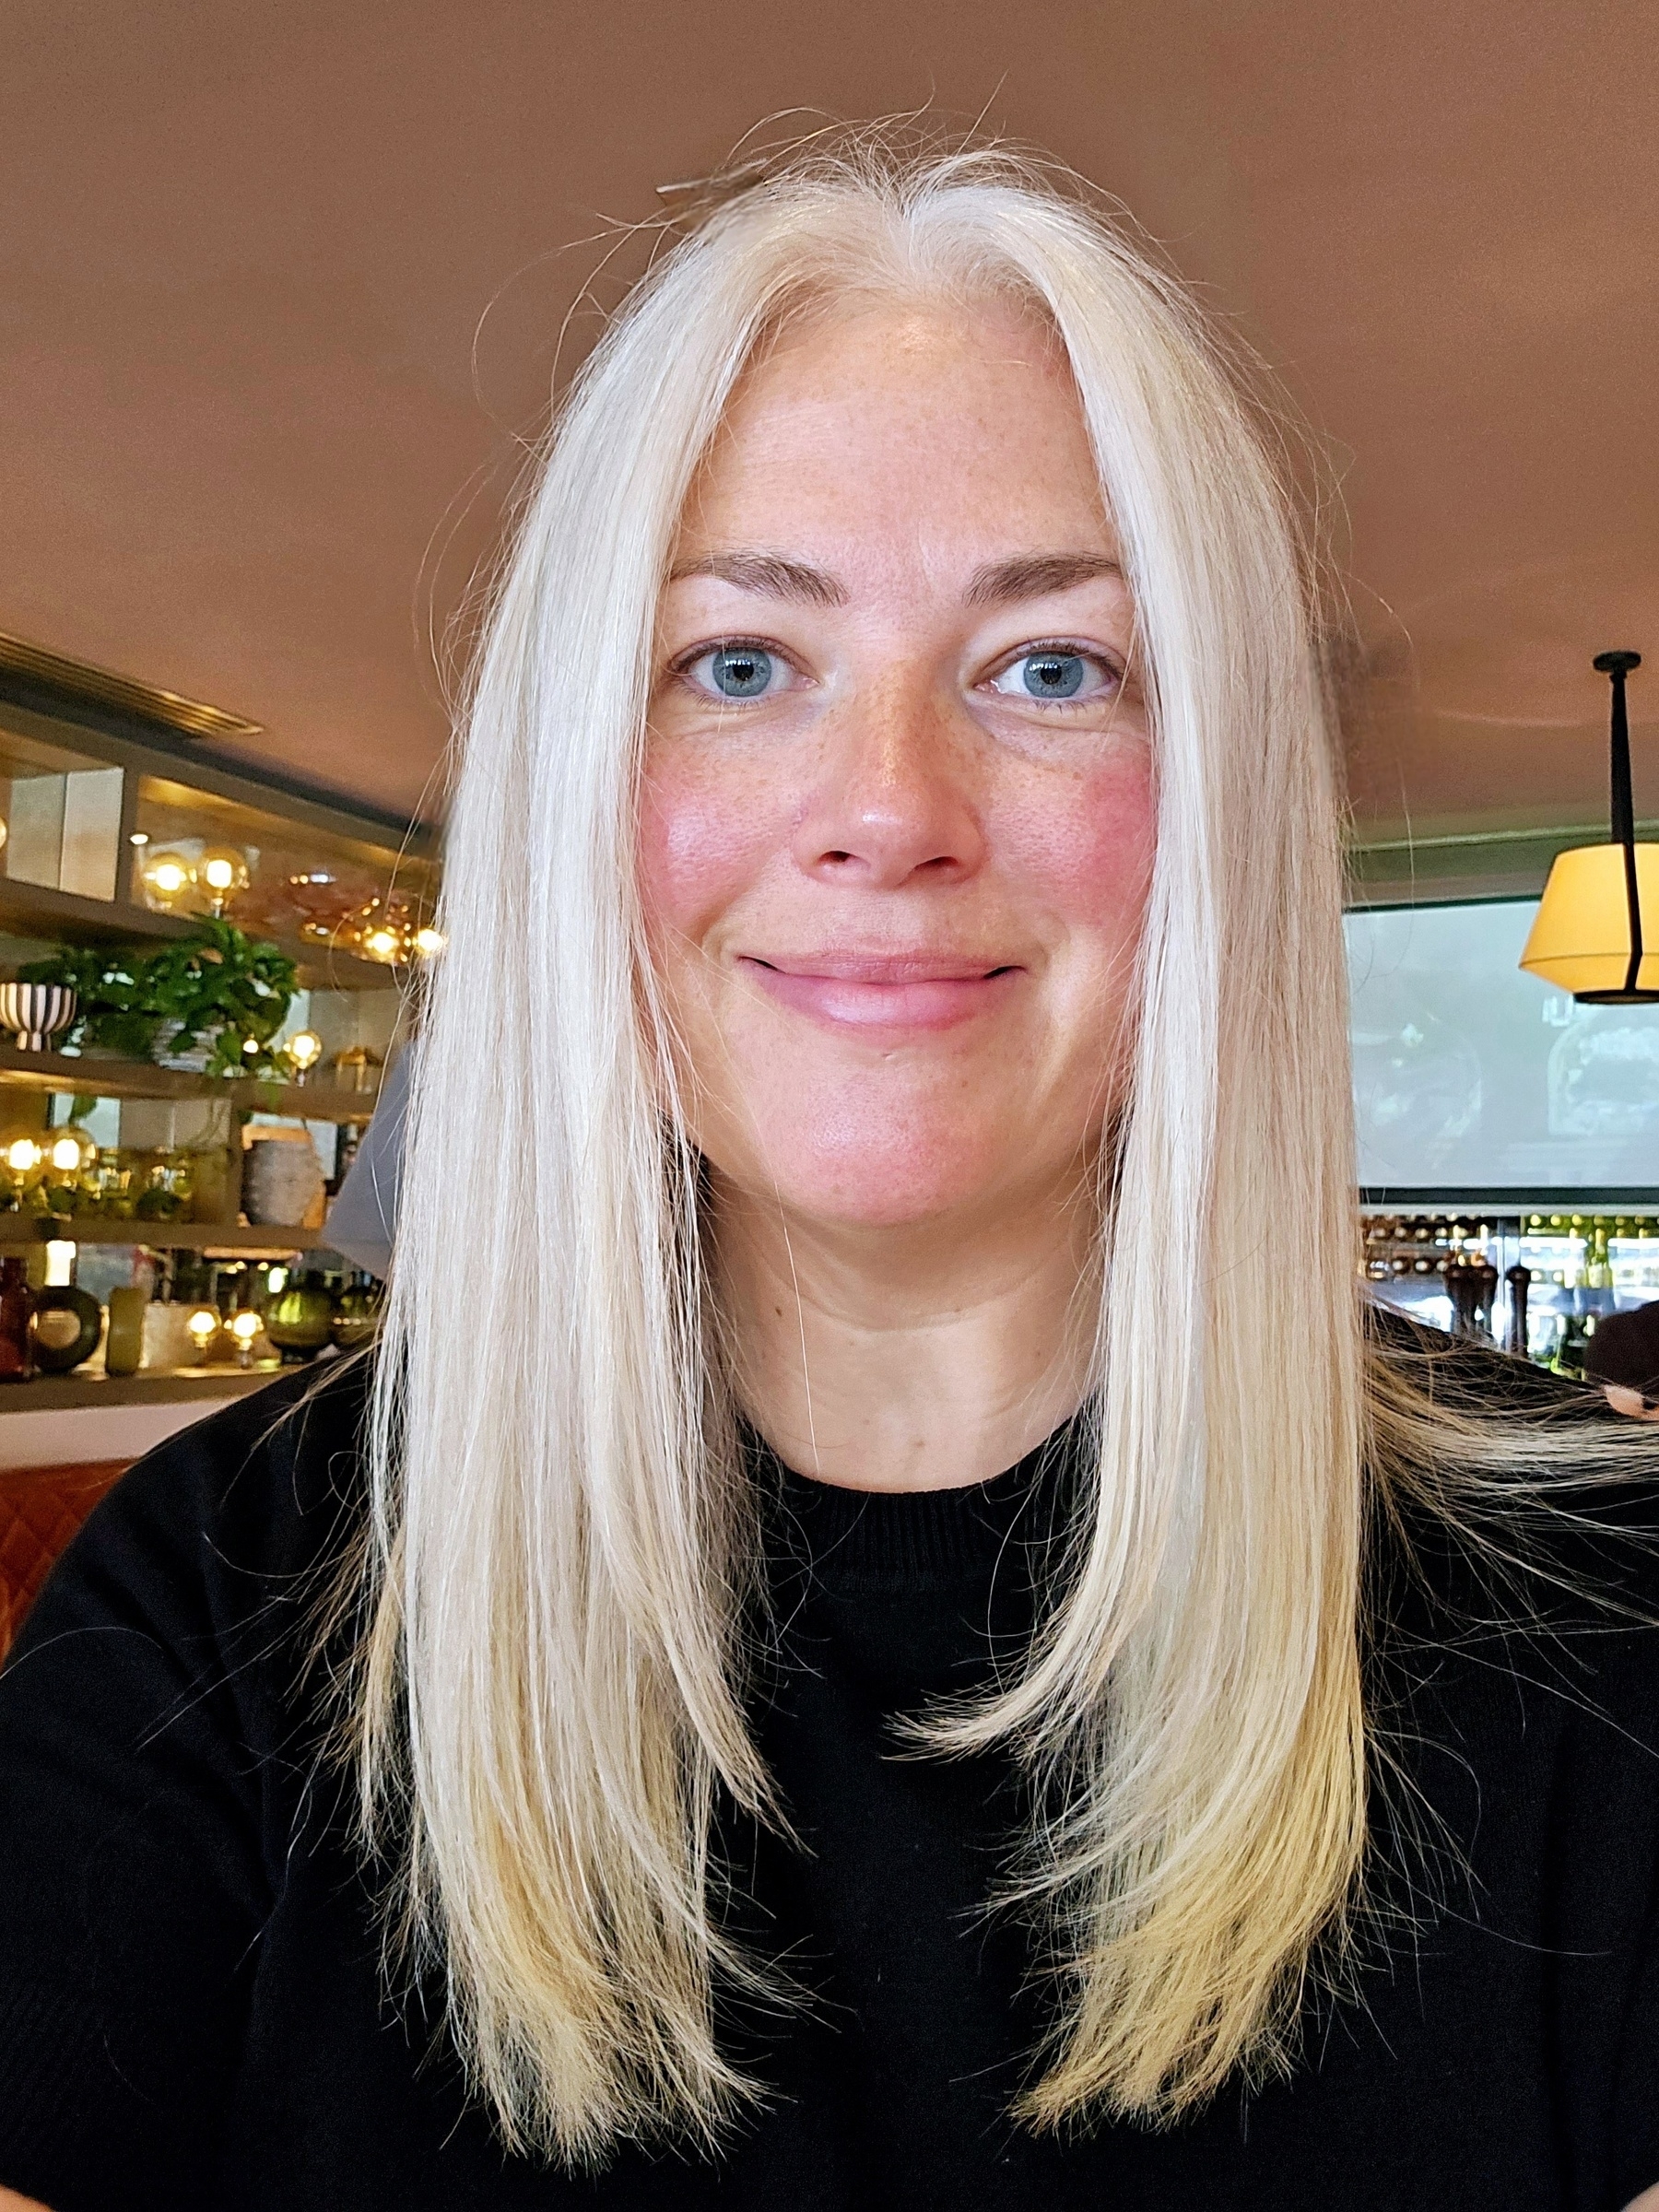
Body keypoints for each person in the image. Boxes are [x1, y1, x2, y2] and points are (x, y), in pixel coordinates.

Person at [2, 132, 1658, 2212]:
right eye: (741, 666)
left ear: (1226, 809)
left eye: (1053, 667)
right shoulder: (212, 1623)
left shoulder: (1615, 1623)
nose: (890, 810)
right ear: (581, 794)